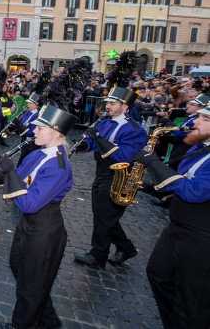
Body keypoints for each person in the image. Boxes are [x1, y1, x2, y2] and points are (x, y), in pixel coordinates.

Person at [0, 104, 76, 329]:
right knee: (21, 269)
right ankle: (49, 321)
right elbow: (19, 177)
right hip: (28, 226)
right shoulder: (38, 154)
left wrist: (9, 173)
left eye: (40, 128)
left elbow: (29, 203)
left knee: (31, 283)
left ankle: (21, 325)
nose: (34, 132)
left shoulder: (59, 166)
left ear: (57, 132)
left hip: (45, 231)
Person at [134, 103, 210, 329]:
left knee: (192, 300)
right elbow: (182, 177)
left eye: (204, 119)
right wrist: (150, 187)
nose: (195, 122)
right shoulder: (202, 147)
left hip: (201, 236)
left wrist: (152, 161)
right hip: (178, 225)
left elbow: (194, 191)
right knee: (158, 274)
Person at [74, 86, 148, 269]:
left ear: (125, 107)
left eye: (113, 103)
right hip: (102, 172)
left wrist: (98, 138)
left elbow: (123, 156)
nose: (108, 106)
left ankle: (98, 255)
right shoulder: (104, 122)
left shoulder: (135, 130)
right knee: (103, 215)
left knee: (105, 216)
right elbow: (92, 143)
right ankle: (126, 248)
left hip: (120, 175)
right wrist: (82, 145)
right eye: (108, 102)